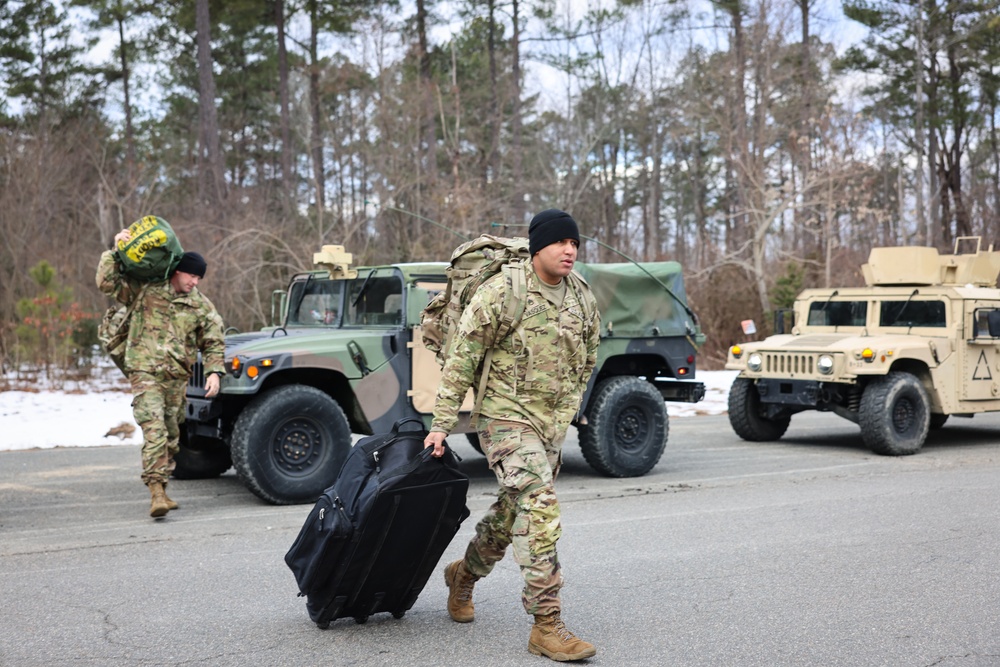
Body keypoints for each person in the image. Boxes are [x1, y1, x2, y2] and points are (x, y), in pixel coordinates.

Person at [424, 209, 601, 662]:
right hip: (503, 418)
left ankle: (463, 576)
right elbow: (462, 358)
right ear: (537, 245)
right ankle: (547, 624)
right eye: (560, 242)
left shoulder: (581, 296)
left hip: (548, 425)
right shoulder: (504, 290)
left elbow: (588, 358)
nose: (569, 250)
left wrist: (566, 413)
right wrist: (442, 424)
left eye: (575, 243)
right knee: (539, 507)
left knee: (511, 513)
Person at [96, 229, 225, 518]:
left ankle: (163, 489)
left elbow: (214, 340)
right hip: (145, 372)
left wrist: (215, 372)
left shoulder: (200, 306)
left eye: (199, 278)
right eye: (191, 276)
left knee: (170, 434)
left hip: (176, 378)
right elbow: (106, 282)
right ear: (178, 271)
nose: (195, 282)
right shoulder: (146, 290)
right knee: (153, 429)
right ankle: (155, 491)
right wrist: (115, 250)